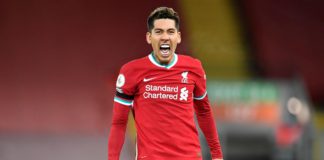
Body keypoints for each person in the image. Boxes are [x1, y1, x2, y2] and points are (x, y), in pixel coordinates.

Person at [108, 7, 223, 160]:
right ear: (149, 37)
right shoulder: (131, 71)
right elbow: (119, 122)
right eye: (158, 32)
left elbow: (204, 112)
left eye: (170, 31)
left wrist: (217, 154)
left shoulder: (194, 68)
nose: (165, 37)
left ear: (178, 37)